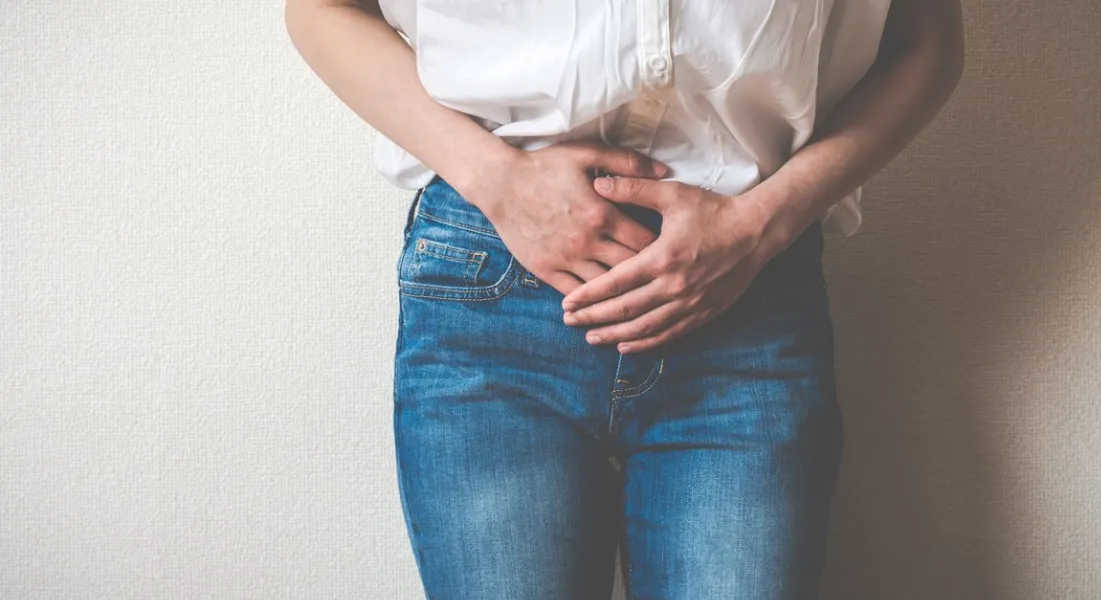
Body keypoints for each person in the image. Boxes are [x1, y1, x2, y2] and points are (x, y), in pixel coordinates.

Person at [285, 0, 963, 597]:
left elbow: (925, 44)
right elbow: (320, 8)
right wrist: (497, 180)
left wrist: (761, 226)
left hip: (747, 302)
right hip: (491, 291)